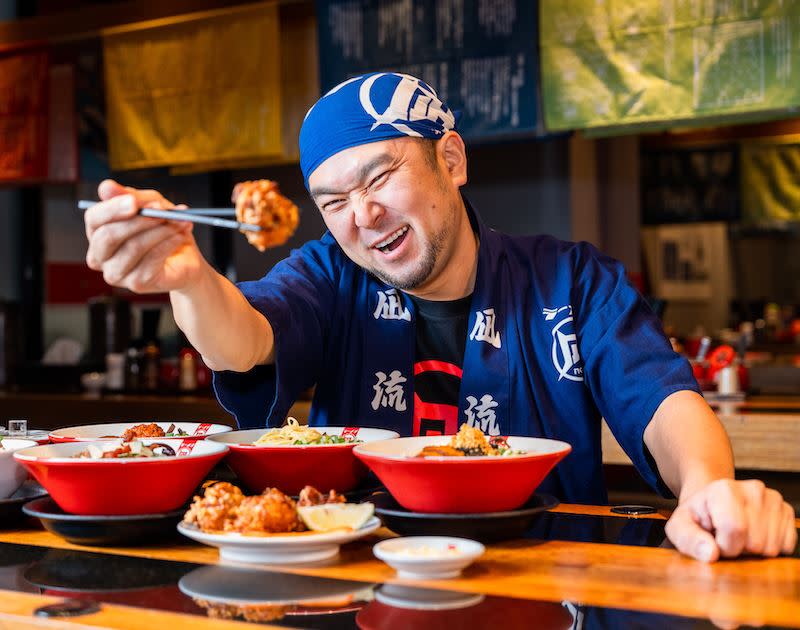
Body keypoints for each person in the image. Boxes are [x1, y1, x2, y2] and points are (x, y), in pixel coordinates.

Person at [84, 72, 796, 563]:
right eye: (333, 202)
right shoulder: (330, 277)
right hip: (362, 585)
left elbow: (662, 399)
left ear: (450, 159)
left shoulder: (572, 279)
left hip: (546, 576)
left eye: (381, 176)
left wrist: (707, 494)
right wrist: (188, 279)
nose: (361, 217)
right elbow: (244, 340)